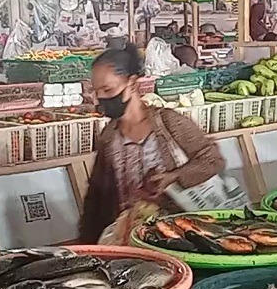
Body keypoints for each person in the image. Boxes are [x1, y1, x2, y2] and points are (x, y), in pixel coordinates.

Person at [79, 45, 224, 243]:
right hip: (130, 237)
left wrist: (175, 177)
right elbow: (95, 198)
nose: (102, 98)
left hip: (179, 235)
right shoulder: (109, 137)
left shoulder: (169, 123)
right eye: (97, 92)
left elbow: (212, 159)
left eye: (108, 89)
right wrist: (87, 243)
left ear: (131, 83)